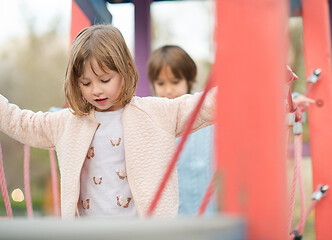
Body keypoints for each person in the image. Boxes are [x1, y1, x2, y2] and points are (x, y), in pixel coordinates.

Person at [0, 25, 216, 219]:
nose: (96, 90)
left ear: (126, 71)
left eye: (105, 80)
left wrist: (241, 81)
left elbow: (204, 106)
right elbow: (22, 123)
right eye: (86, 83)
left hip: (142, 233)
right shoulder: (67, 122)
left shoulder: (155, 112)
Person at [147, 45, 216, 216]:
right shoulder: (149, 116)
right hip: (168, 213)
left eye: (175, 82)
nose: (168, 90)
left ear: (189, 81)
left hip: (203, 206)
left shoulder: (204, 113)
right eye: (161, 83)